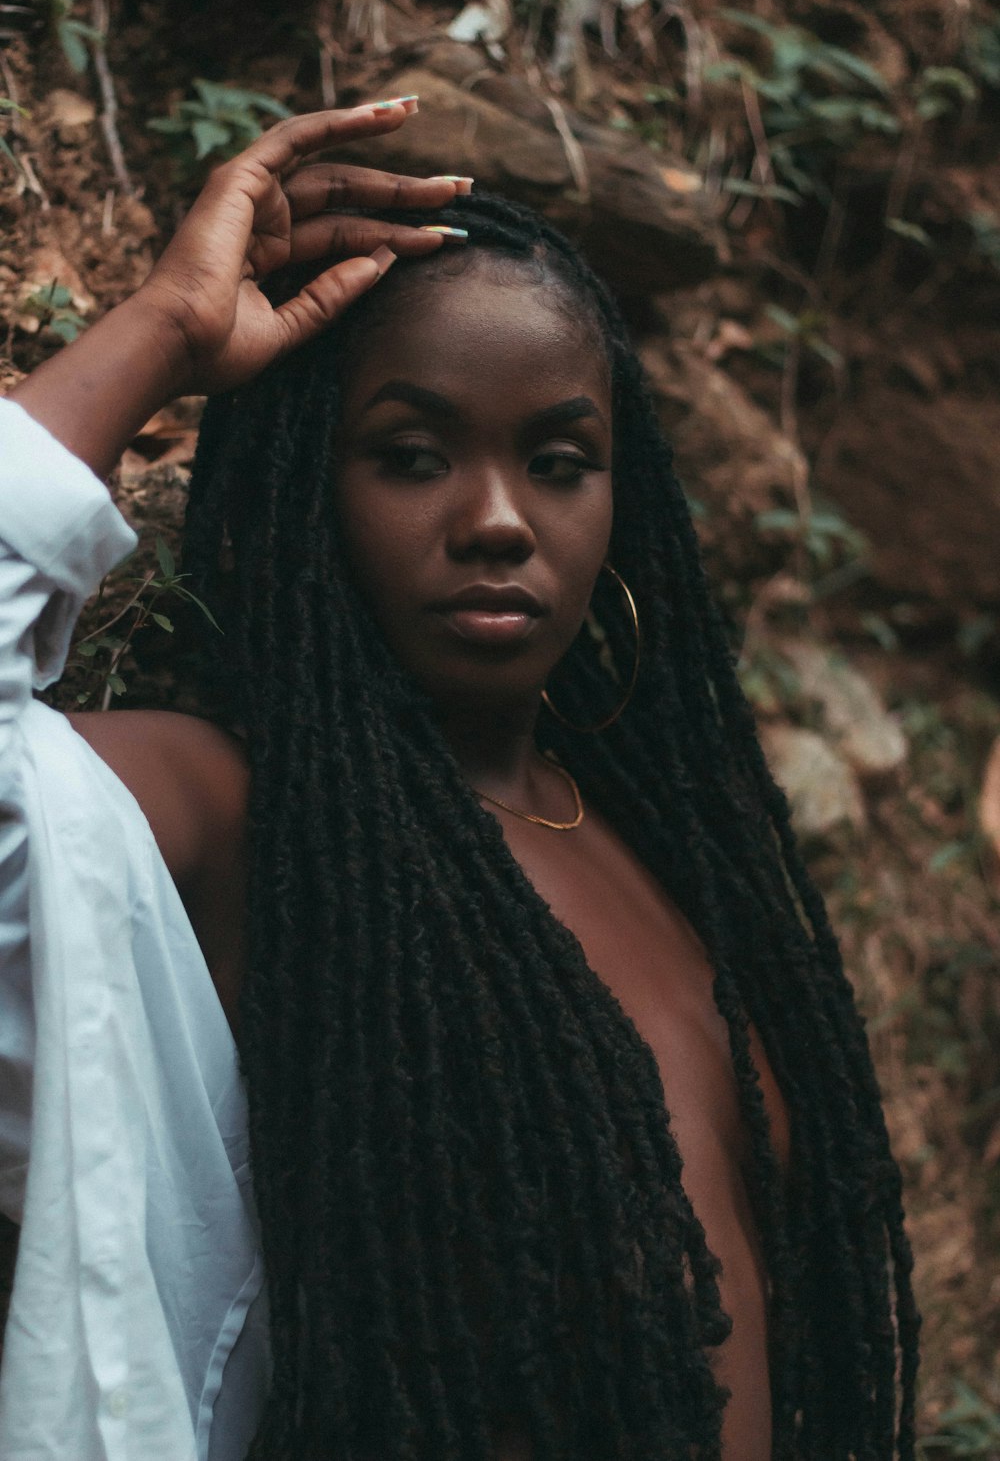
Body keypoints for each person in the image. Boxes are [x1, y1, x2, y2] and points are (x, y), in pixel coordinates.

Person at [0, 99, 919, 1461]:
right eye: (412, 456)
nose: (495, 520)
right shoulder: (244, 815)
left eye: (557, 463)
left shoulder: (665, 848)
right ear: (317, 487)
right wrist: (167, 337)